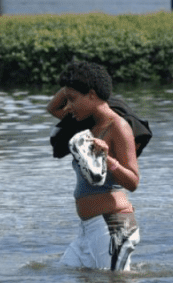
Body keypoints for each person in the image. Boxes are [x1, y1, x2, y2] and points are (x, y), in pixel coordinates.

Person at [47, 61, 140, 271]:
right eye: (67, 98)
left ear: (91, 94)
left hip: (113, 225)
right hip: (88, 228)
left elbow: (133, 182)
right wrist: (73, 81)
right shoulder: (85, 123)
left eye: (72, 99)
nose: (68, 106)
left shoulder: (119, 126)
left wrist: (109, 160)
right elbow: (53, 107)